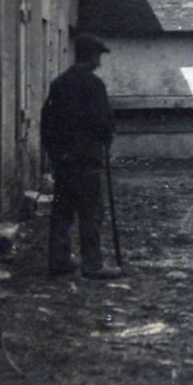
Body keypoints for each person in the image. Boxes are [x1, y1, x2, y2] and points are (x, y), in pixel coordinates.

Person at [40, 32, 122, 280]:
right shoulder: (94, 86)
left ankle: (59, 261)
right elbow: (103, 123)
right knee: (90, 212)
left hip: (64, 160)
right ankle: (92, 264)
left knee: (62, 213)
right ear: (92, 56)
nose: (100, 62)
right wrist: (107, 137)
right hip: (87, 159)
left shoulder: (59, 84)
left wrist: (55, 154)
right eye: (98, 56)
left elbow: (47, 122)